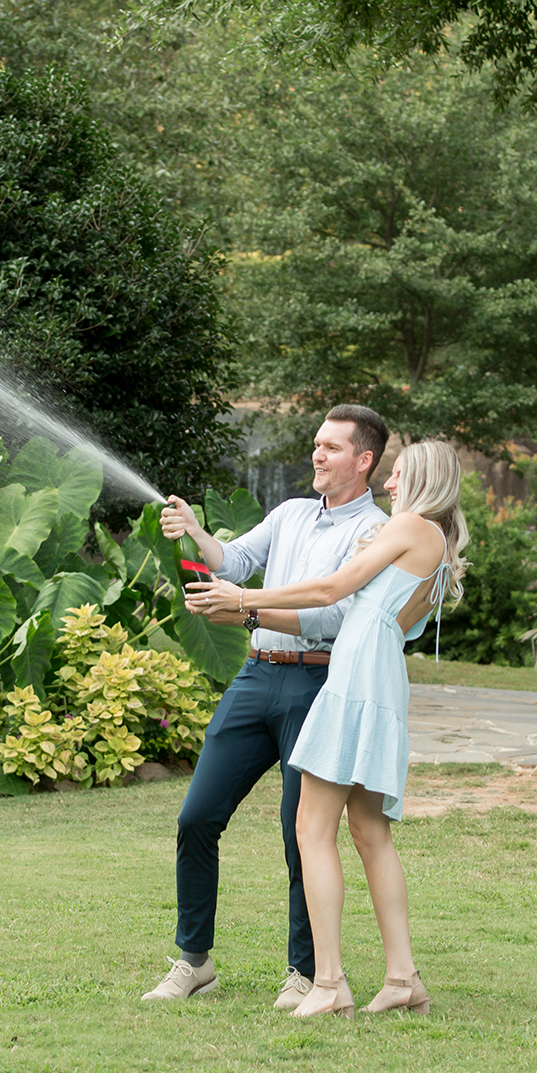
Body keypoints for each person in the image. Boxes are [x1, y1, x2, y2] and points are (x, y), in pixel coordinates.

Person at [184, 441, 468, 1018]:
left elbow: (329, 591)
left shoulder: (410, 525)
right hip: (380, 676)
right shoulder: (435, 542)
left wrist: (243, 600)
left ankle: (329, 983)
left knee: (312, 828)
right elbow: (392, 620)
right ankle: (401, 978)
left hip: (355, 678)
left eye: (399, 476)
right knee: (369, 831)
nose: (391, 486)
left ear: (426, 480)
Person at [141, 404, 392, 1006]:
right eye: (316, 444)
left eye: (332, 447)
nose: (317, 455)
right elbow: (234, 560)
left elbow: (333, 612)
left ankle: (305, 972)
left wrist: (245, 609)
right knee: (196, 817)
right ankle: (193, 961)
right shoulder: (291, 513)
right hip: (257, 678)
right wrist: (197, 532)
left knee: (301, 834)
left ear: (364, 460)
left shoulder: (375, 531)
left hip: (316, 685)